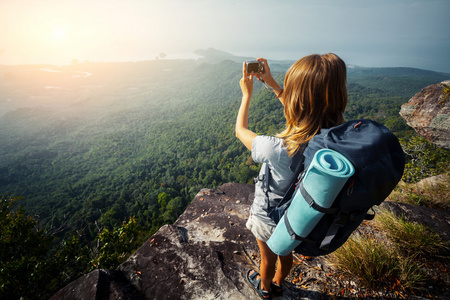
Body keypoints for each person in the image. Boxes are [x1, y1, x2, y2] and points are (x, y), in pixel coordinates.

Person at [235, 53, 347, 299]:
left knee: (266, 259)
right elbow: (310, 113)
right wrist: (273, 83)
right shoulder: (333, 137)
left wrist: (247, 95)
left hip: (267, 217)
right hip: (297, 219)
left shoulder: (276, 148)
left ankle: (265, 289)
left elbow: (240, 130)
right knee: (285, 255)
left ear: (296, 101)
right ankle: (278, 282)